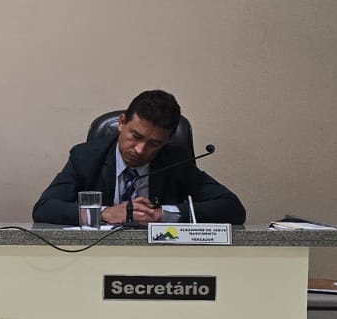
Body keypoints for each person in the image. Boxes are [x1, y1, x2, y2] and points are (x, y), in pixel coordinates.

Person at [32, 89, 245, 225]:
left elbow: (232, 208)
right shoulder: (86, 157)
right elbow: (44, 208)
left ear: (167, 140)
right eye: (136, 136)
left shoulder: (175, 161)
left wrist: (162, 214)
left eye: (154, 143)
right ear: (122, 123)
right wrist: (104, 213)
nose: (140, 150)